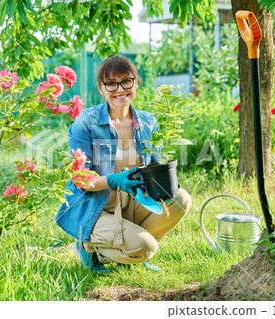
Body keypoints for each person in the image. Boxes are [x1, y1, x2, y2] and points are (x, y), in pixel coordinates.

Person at [56, 55, 191, 273]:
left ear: (135, 83)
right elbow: (80, 179)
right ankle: (88, 248)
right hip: (96, 207)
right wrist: (113, 179)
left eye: (126, 81)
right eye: (111, 83)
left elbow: (154, 166)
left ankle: (131, 253)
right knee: (146, 248)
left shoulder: (147, 122)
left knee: (180, 198)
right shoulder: (86, 122)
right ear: (101, 88)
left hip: (133, 201)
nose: (119, 89)